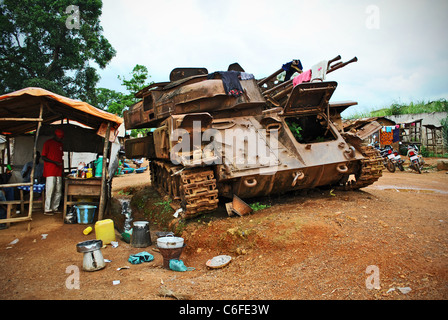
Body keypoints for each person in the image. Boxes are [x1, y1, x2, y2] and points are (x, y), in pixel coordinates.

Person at [41, 129, 64, 215]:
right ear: (55, 136)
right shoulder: (48, 143)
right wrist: (54, 162)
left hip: (58, 171)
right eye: (59, 137)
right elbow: (43, 157)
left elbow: (61, 158)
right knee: (50, 189)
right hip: (50, 171)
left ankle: (55, 207)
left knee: (58, 190)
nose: (60, 139)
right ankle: (47, 209)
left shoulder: (60, 144)